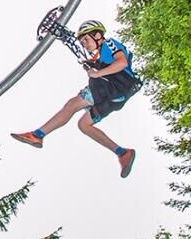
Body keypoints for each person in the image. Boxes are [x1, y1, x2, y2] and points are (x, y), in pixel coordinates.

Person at [11, 20, 142, 178]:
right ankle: (122, 153)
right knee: (84, 125)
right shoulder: (98, 55)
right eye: (82, 42)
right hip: (113, 98)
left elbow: (122, 63)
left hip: (114, 87)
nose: (85, 44)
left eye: (86, 40)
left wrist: (97, 73)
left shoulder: (109, 44)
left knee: (72, 104)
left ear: (98, 35)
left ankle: (37, 135)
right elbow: (90, 57)